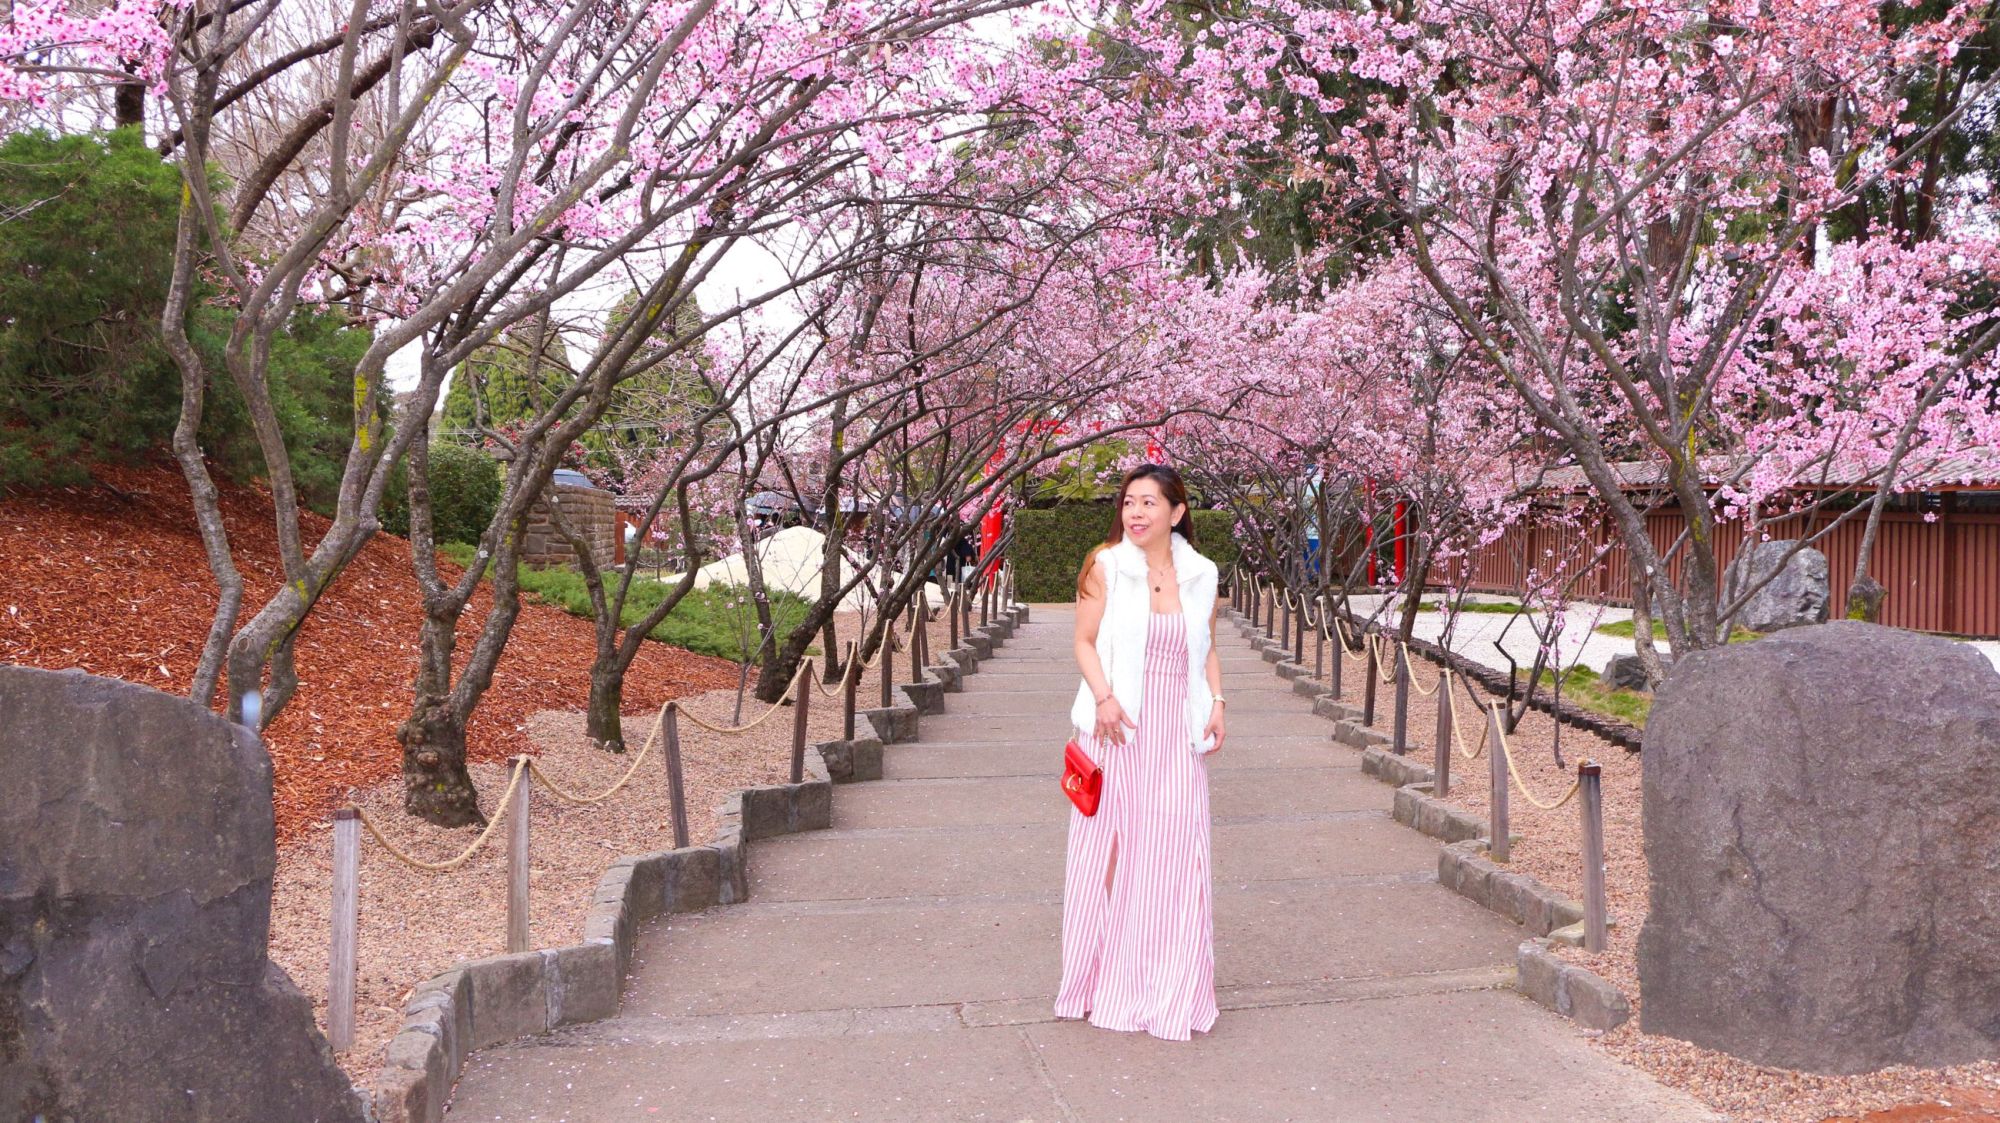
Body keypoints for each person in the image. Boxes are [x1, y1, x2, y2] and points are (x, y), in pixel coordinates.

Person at [1053, 463, 1227, 1040]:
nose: (1135, 512)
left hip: (1174, 738)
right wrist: (1103, 698)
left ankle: (1169, 988)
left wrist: (1218, 702)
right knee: (1103, 860)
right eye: (1130, 501)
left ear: (1176, 513)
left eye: (1149, 503)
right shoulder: (1107, 566)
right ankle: (1096, 983)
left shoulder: (1201, 574)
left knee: (1173, 861)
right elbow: (1082, 641)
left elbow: (1204, 648)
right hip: (1114, 732)